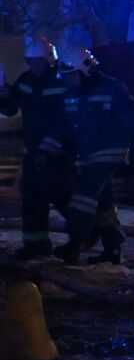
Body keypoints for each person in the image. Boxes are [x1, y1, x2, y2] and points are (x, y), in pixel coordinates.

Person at [40, 43, 134, 265]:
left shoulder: (112, 89)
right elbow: (60, 125)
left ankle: (76, 244)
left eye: (71, 75)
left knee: (84, 196)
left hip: (109, 152)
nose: (67, 80)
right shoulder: (71, 94)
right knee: (102, 202)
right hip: (87, 155)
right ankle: (112, 248)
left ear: (85, 70)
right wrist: (46, 149)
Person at [0, 36, 74, 259]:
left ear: (50, 60)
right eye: (31, 62)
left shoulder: (62, 81)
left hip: (58, 153)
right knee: (32, 199)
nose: (35, 66)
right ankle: (36, 245)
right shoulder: (26, 80)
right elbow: (12, 108)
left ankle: (85, 233)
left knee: (63, 196)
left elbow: (67, 118)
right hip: (33, 152)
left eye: (39, 61)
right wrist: (3, 97)